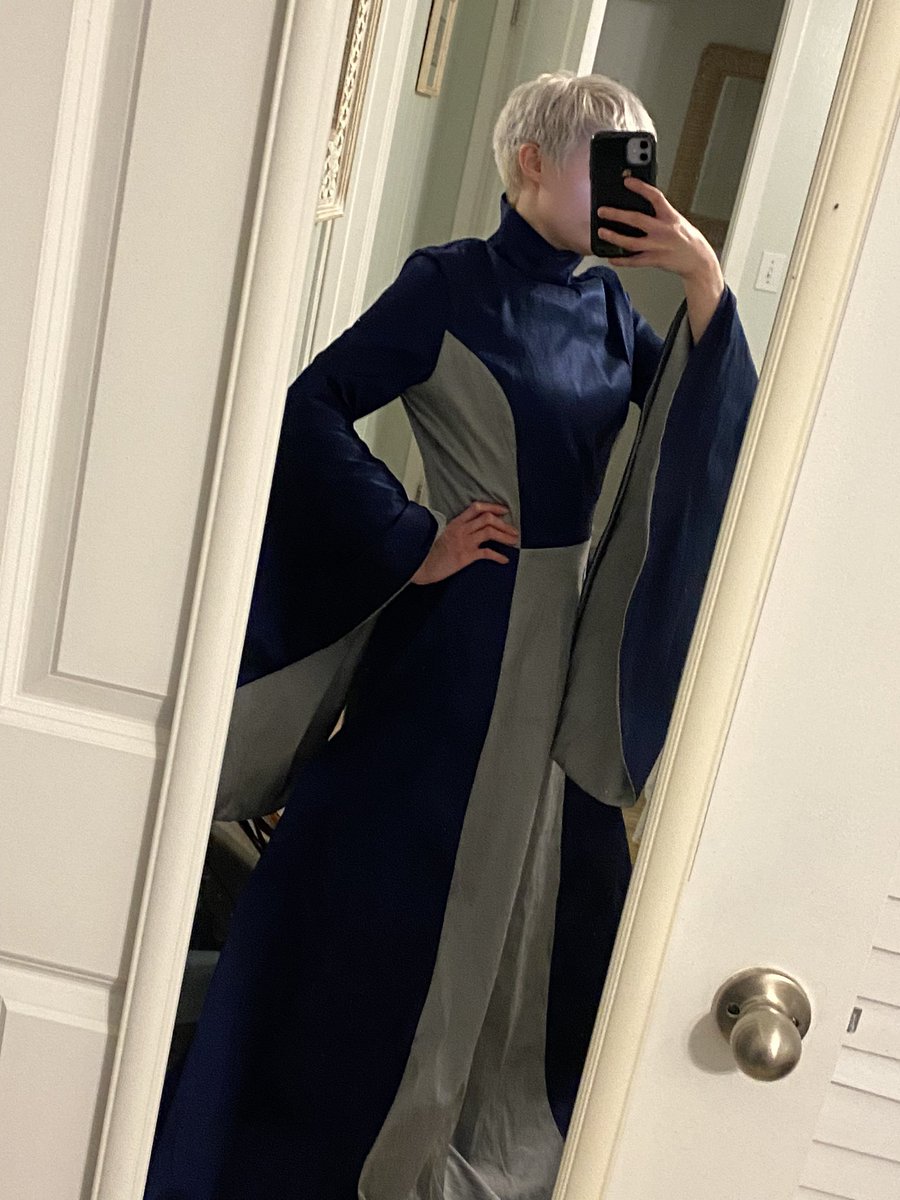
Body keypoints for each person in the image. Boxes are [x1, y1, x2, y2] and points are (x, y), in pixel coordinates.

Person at [143, 72, 756, 1199]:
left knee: (524, 889)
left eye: (642, 165)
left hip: (563, 654)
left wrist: (702, 278)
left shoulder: (606, 305)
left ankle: (440, 1130)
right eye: (608, 163)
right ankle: (301, 1137)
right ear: (531, 162)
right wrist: (408, 535)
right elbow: (308, 407)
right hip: (461, 638)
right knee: (399, 878)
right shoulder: (449, 286)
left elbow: (698, 434)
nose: (633, 189)